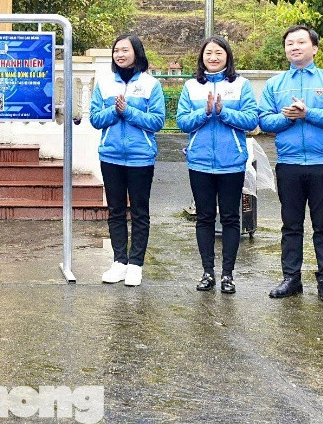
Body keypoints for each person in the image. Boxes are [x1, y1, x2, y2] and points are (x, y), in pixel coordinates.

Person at [258, 24, 323, 304]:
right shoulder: (275, 84)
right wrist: (288, 117)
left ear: (314, 48)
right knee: (291, 224)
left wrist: (308, 112)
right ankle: (291, 278)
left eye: (300, 42)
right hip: (289, 163)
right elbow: (264, 120)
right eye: (289, 43)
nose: (294, 47)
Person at [176, 36, 258, 294]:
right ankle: (207, 272)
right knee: (205, 217)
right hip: (199, 162)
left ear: (227, 56)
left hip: (231, 162)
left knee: (231, 218)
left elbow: (251, 119)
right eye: (208, 53)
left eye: (218, 52)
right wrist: (204, 112)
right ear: (202, 57)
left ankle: (228, 275)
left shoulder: (241, 85)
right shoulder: (191, 86)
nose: (213, 57)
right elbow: (182, 122)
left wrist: (223, 112)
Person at [90, 34, 167, 287]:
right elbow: (95, 119)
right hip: (110, 156)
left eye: (125, 50)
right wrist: (114, 110)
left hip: (140, 157)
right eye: (116, 51)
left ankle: (136, 265)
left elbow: (157, 122)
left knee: (139, 212)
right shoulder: (103, 84)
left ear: (137, 52)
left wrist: (128, 111)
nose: (120, 55)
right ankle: (118, 262)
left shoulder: (150, 85)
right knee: (115, 211)